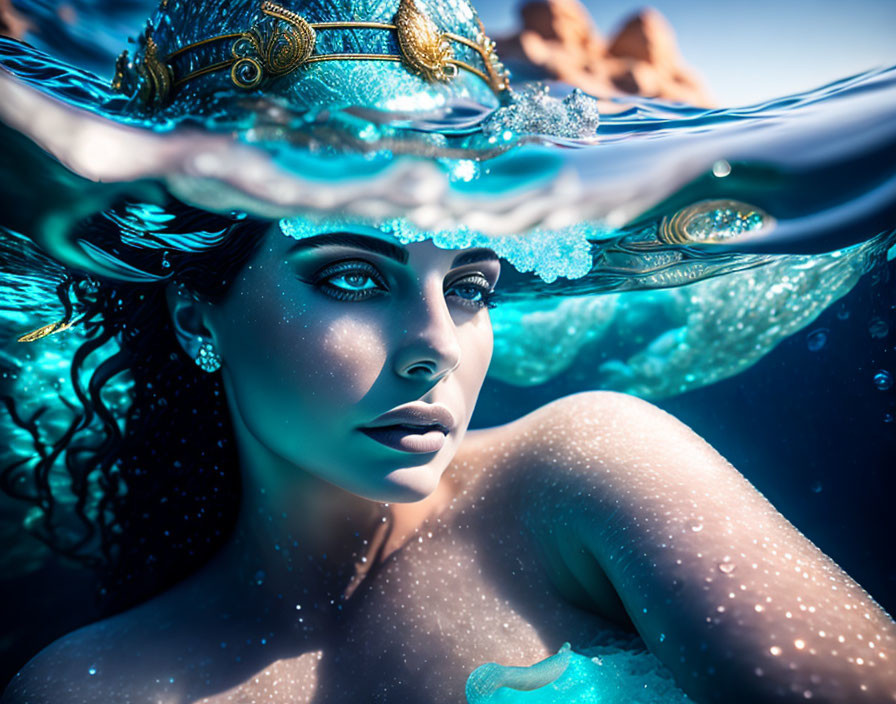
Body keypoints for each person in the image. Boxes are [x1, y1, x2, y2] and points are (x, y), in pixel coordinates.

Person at [1, 1, 895, 703]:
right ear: (199, 318)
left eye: (470, 286)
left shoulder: (592, 470)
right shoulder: (87, 686)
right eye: (352, 278)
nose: (435, 346)